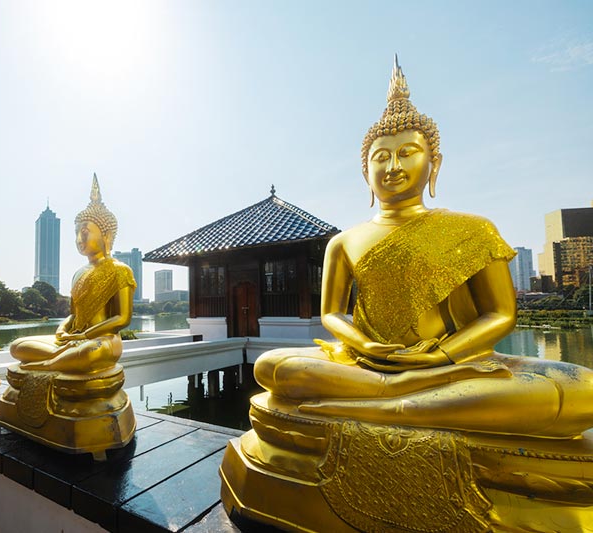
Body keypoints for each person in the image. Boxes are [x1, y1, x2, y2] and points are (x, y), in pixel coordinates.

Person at [254, 57, 593, 438]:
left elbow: (500, 314)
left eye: (407, 153)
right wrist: (365, 344)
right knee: (272, 367)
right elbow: (332, 313)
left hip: (453, 365)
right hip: (365, 363)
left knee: (585, 389)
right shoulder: (344, 241)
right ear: (365, 172)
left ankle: (394, 400)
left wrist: (440, 356)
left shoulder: (473, 229)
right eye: (381, 157)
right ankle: (398, 394)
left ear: (435, 164)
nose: (393, 166)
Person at [9, 175, 135, 372]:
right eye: (76, 233)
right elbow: (73, 315)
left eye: (84, 233)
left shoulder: (120, 270)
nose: (79, 239)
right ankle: (62, 359)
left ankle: (48, 364)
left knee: (91, 352)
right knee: (17, 346)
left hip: (103, 340)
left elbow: (122, 318)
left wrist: (84, 336)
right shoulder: (79, 273)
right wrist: (62, 329)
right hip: (74, 338)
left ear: (106, 235)